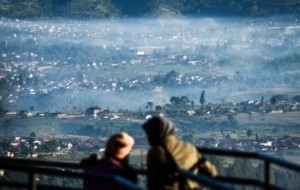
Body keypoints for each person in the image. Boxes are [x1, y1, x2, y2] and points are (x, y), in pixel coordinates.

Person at [142, 116, 217, 190]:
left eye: (149, 135)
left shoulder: (156, 152)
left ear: (154, 135)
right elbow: (212, 172)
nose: (148, 139)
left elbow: (151, 183)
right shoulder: (190, 148)